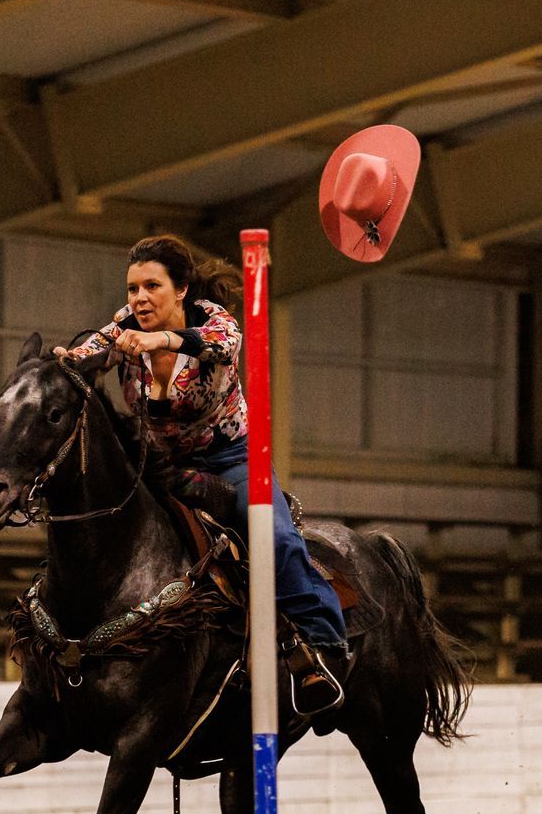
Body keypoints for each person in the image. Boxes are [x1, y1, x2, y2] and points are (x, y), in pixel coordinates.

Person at [59, 234, 347, 713]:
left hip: (232, 459)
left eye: (152, 286)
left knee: (273, 537)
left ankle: (324, 645)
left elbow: (217, 346)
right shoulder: (121, 331)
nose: (139, 299)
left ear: (182, 290)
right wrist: (67, 363)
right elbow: (86, 358)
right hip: (158, 467)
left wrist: (160, 340)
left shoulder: (218, 322)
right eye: (132, 289)